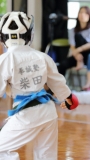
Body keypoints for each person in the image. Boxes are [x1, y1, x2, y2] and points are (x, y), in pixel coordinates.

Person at [0, 12, 79, 159]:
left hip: (27, 115)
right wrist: (68, 98)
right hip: (48, 113)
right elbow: (58, 83)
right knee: (46, 156)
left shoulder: (4, 60)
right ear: (30, 34)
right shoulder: (42, 57)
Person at [57, 6, 90, 76]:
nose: (82, 15)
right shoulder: (72, 30)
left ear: (89, 16)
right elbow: (72, 45)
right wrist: (77, 55)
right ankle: (59, 85)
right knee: (62, 65)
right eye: (81, 12)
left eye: (85, 13)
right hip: (77, 54)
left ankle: (80, 62)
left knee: (78, 36)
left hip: (89, 54)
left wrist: (78, 50)